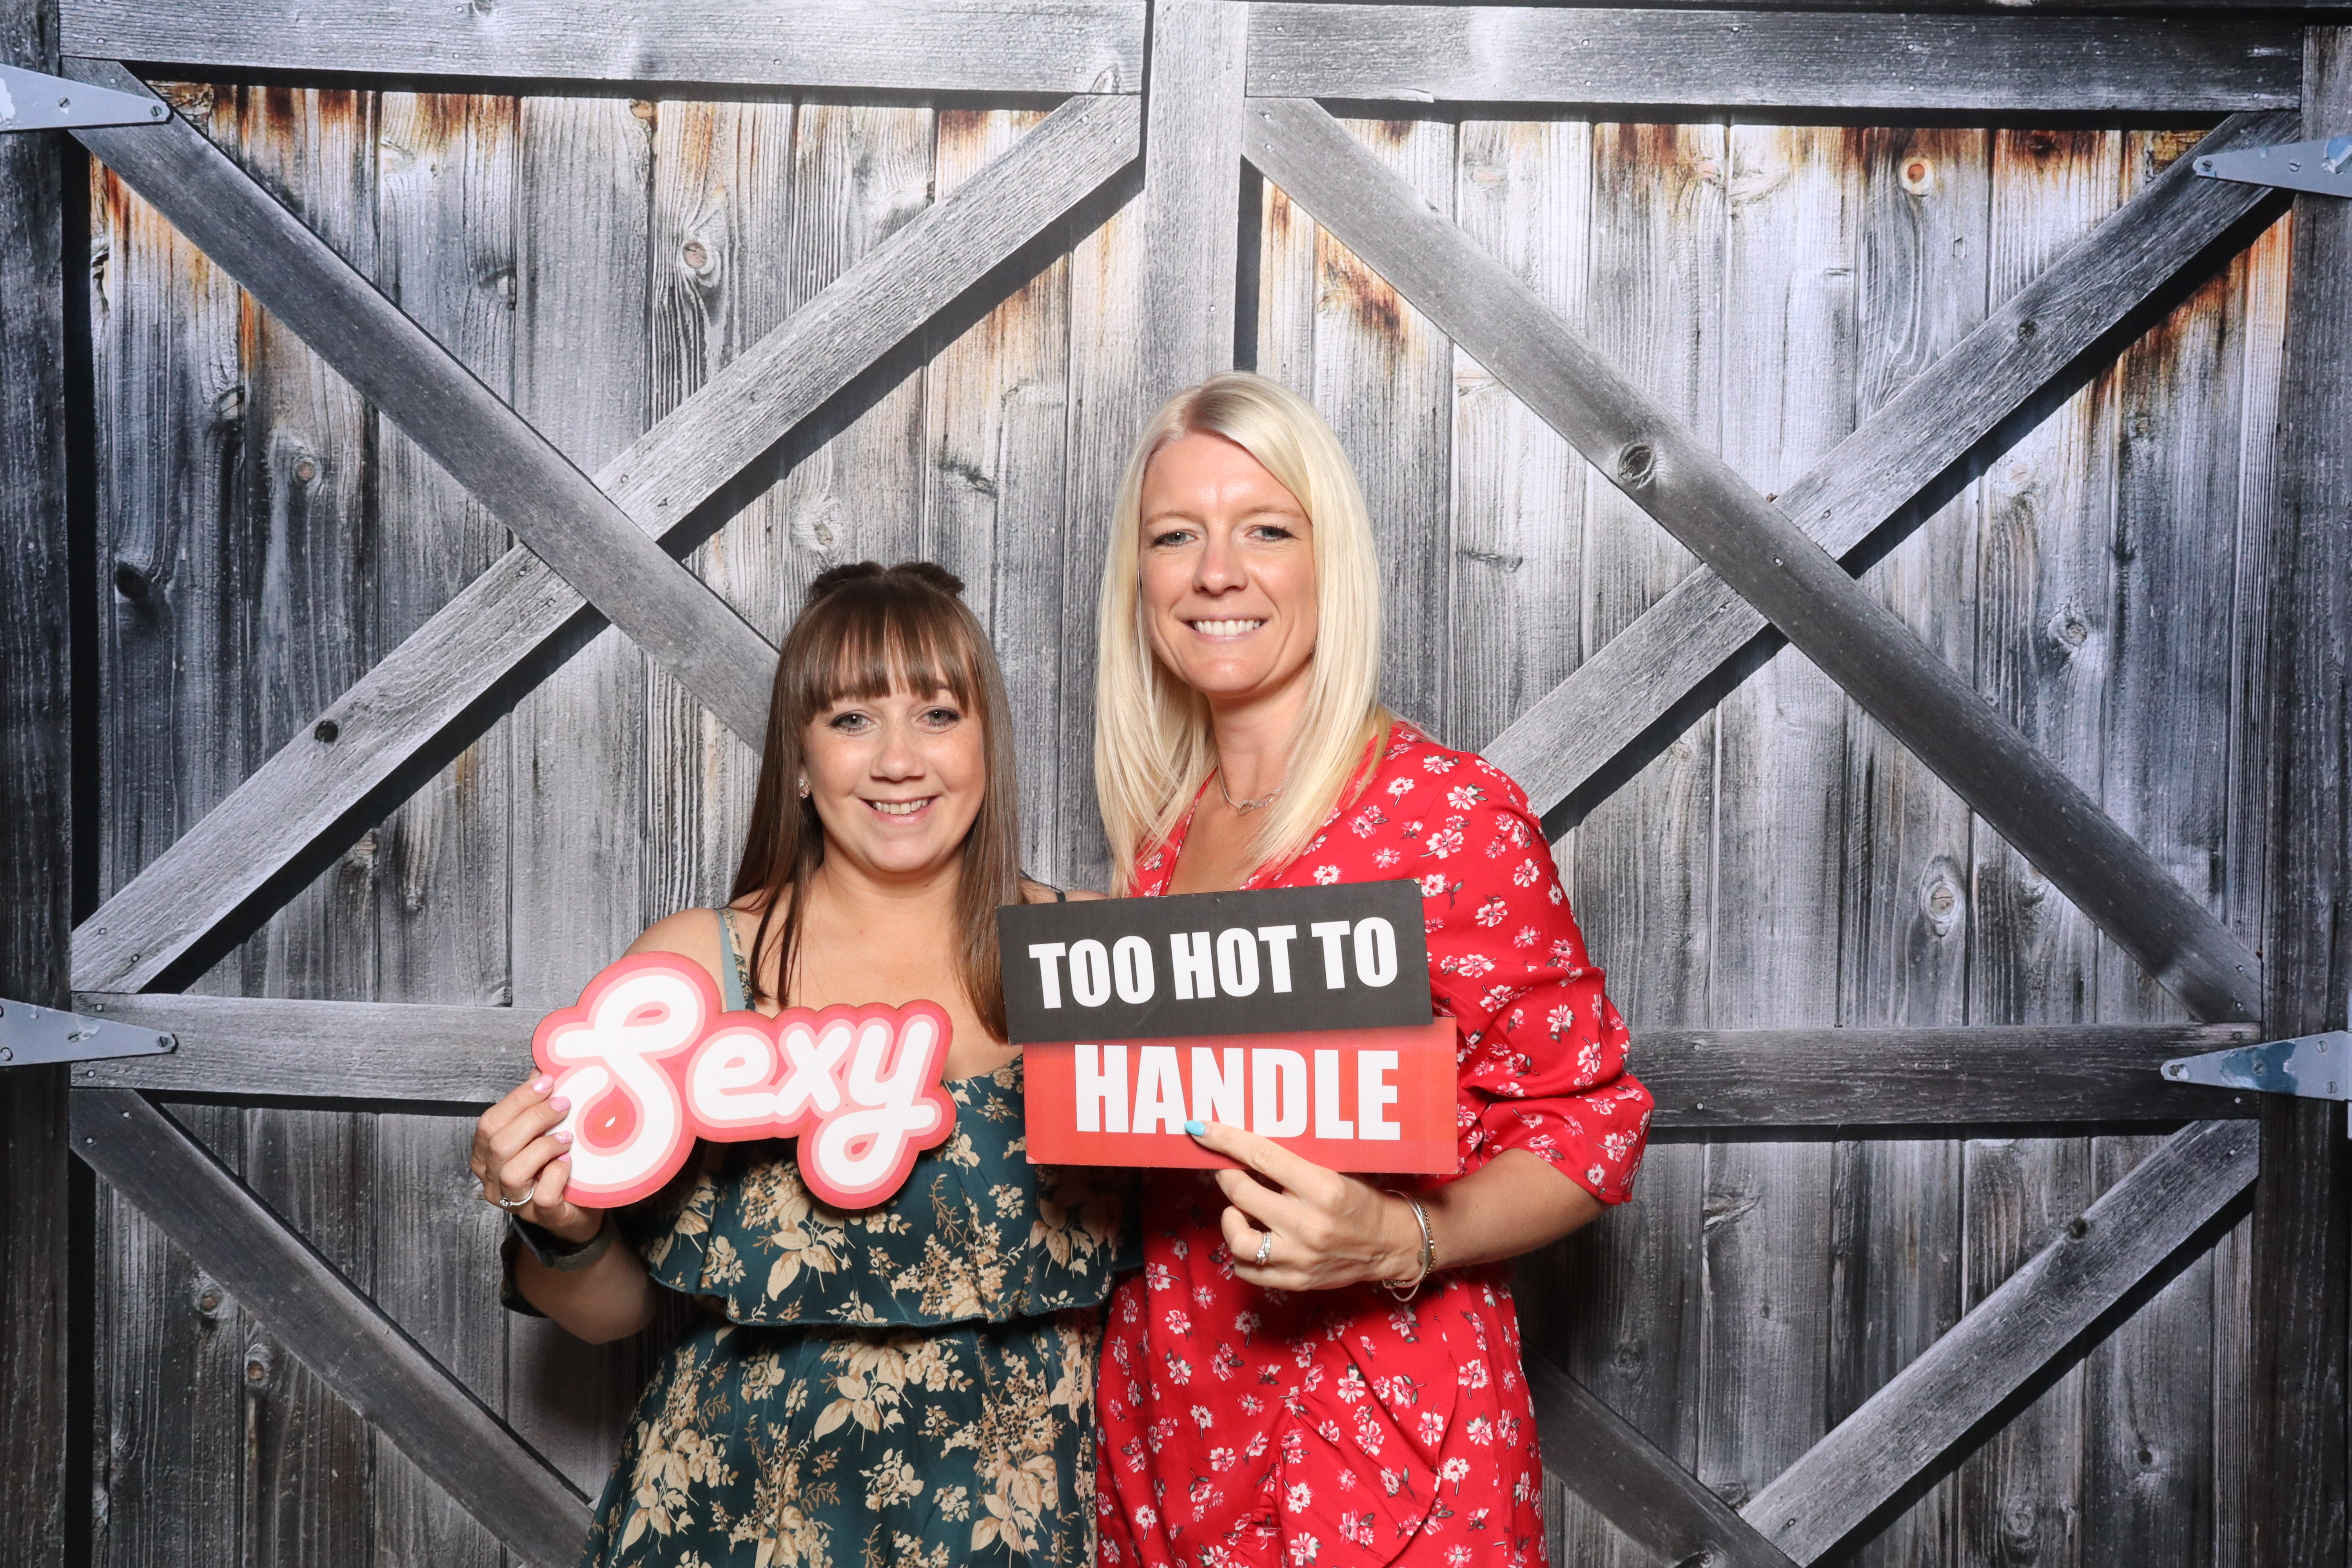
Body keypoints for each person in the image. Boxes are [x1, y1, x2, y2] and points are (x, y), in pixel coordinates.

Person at [1090, 374, 1653, 1567]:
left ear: (1328, 561)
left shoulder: (1449, 816)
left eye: (1266, 530)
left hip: (1379, 1437)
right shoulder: (1160, 841)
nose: (1216, 571)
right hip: (1173, 1425)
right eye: (1175, 536)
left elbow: (1590, 1126)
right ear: (1139, 581)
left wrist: (1401, 1242)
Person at [470, 561, 1132, 1568]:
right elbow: (611, 1317)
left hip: (1016, 1519)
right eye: (853, 720)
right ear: (799, 758)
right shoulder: (699, 967)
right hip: (735, 1512)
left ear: (987, 743)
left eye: (940, 714)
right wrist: (556, 1223)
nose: (900, 759)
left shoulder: (1096, 953)